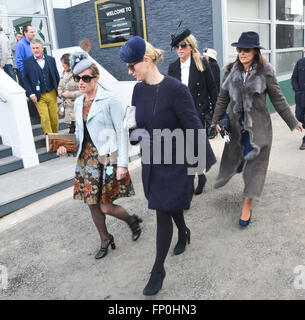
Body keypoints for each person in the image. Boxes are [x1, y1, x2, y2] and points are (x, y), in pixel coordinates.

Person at [120, 36, 216, 295]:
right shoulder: (138, 89)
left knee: (163, 211)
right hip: (152, 160)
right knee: (167, 205)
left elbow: (194, 126)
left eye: (132, 66)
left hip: (177, 163)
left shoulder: (176, 89)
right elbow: (136, 123)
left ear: (147, 60)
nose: (130, 72)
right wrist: (133, 132)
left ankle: (157, 270)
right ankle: (184, 231)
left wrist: (197, 169)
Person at [56, 51, 142, 260]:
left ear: (96, 78)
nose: (81, 82)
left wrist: (122, 164)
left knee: (105, 204)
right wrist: (64, 147)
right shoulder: (78, 103)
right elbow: (80, 133)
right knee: (91, 203)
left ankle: (131, 221)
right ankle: (105, 239)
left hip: (107, 158)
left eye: (86, 78)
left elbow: (121, 133)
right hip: (86, 159)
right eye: (78, 78)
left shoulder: (109, 100)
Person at [211, 31, 302, 227]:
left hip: (258, 128)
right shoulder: (230, 71)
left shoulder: (266, 71)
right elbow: (222, 98)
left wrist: (293, 122)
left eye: (246, 49)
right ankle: (243, 170)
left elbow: (278, 98)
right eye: (239, 49)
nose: (242, 52)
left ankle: (247, 204)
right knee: (239, 160)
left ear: (255, 51)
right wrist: (216, 120)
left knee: (254, 165)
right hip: (236, 129)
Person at [168, 29, 217, 195]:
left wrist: (216, 116)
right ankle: (191, 181)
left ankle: (200, 175)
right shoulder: (173, 67)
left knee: (195, 148)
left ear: (190, 46)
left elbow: (212, 90)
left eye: (183, 45)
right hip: (178, 115)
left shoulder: (202, 64)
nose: (179, 49)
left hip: (197, 114)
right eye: (177, 46)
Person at [22, 39, 60, 134]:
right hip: (38, 95)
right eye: (33, 48)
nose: (35, 50)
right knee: (45, 118)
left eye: (37, 48)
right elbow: (25, 79)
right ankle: (50, 140)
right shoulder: (27, 62)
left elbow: (56, 75)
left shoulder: (51, 60)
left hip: (51, 92)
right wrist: (31, 94)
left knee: (54, 118)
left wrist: (60, 90)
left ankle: (56, 137)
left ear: (42, 48)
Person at [57, 53, 81, 134]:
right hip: (67, 107)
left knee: (80, 130)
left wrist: (69, 94)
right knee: (71, 130)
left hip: (77, 107)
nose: (62, 65)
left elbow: (83, 91)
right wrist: (60, 93)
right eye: (62, 63)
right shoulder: (64, 73)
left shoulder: (77, 73)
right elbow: (60, 86)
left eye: (64, 63)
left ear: (69, 63)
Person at [203, 48, 221, 139]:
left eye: (205, 55)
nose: (204, 57)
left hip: (211, 94)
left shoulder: (213, 66)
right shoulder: (212, 65)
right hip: (211, 93)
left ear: (209, 57)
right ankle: (210, 131)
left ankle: (212, 131)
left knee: (210, 114)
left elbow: (212, 82)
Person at [291, 55, 305, 150]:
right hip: (301, 97)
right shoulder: (300, 63)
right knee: (299, 116)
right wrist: (297, 91)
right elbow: (294, 78)